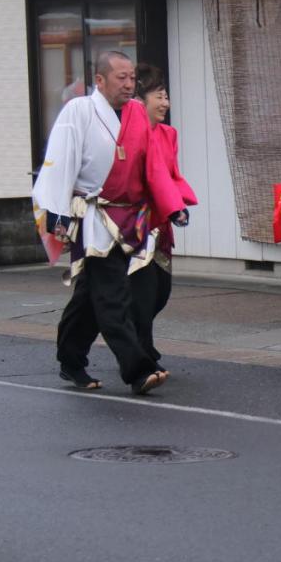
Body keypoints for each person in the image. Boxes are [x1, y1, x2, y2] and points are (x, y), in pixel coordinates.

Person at [32, 51, 184, 395]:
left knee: (90, 296)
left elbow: (154, 167)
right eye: (121, 78)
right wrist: (56, 211)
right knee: (112, 293)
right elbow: (60, 159)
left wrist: (172, 206)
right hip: (92, 215)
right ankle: (137, 369)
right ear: (99, 80)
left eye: (132, 78)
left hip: (129, 216)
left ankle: (70, 359)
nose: (129, 84)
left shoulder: (135, 114)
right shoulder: (79, 111)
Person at [128, 64, 197, 369]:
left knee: (161, 292)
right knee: (143, 293)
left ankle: (137, 337)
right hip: (135, 224)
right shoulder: (129, 134)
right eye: (159, 95)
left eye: (166, 96)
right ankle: (141, 352)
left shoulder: (168, 134)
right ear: (140, 100)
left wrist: (178, 205)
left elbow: (170, 176)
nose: (166, 103)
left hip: (160, 223)